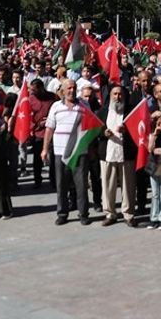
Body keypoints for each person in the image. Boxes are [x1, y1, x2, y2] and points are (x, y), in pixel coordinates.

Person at [45, 78, 92, 225]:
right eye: (69, 88)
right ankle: (62, 213)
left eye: (74, 88)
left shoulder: (84, 105)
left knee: (81, 185)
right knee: (61, 185)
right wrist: (45, 149)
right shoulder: (55, 106)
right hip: (60, 152)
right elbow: (49, 128)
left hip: (79, 152)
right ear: (63, 91)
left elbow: (91, 126)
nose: (71, 91)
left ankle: (83, 214)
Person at [98, 84, 137, 227]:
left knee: (128, 185)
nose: (117, 97)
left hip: (126, 153)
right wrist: (104, 132)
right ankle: (110, 213)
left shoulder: (131, 112)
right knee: (108, 185)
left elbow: (138, 130)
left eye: (120, 94)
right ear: (111, 96)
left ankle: (128, 214)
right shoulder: (103, 112)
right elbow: (96, 129)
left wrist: (127, 130)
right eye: (114, 94)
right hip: (107, 153)